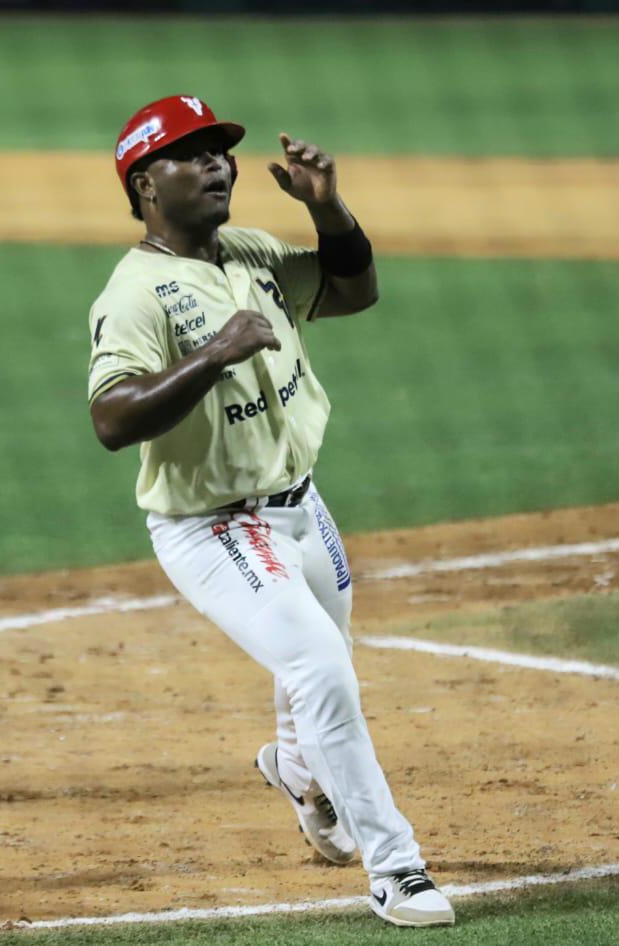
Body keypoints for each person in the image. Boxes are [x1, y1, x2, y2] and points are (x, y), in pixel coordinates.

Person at [86, 94, 455, 927]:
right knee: (323, 670)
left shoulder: (250, 252)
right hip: (212, 525)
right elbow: (112, 420)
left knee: (318, 666)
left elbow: (354, 292)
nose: (219, 164)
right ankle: (396, 868)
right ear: (145, 183)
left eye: (221, 150)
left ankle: (298, 772)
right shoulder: (136, 293)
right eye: (193, 154)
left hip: (303, 504)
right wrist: (214, 354)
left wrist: (329, 211)